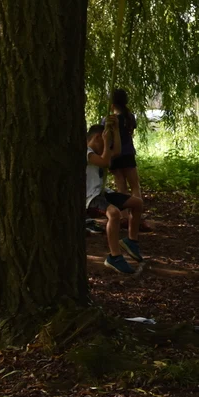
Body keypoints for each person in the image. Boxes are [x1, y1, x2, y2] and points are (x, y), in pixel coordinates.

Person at [86, 118, 145, 274]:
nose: (107, 146)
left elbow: (117, 152)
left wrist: (117, 130)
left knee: (137, 203)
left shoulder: (98, 151)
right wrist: (107, 142)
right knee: (114, 214)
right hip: (90, 198)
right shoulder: (86, 152)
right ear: (97, 138)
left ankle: (131, 241)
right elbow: (105, 162)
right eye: (105, 142)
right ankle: (115, 257)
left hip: (102, 193)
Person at [106, 88, 141, 199]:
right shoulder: (130, 117)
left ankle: (124, 210)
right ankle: (137, 207)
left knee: (121, 188)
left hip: (114, 155)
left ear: (112, 104)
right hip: (128, 154)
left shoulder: (108, 121)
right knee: (135, 187)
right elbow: (131, 133)